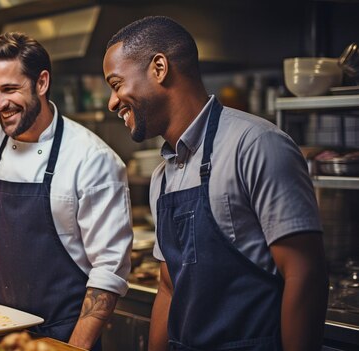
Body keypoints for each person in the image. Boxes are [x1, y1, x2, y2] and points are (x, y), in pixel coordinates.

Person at [102, 16, 328, 351]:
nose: (111, 102)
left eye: (116, 84)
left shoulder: (256, 144)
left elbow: (304, 275)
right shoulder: (163, 175)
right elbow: (168, 287)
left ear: (159, 68)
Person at [0, 32, 133, 350]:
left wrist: (71, 350)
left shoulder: (92, 158)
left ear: (41, 83)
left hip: (64, 335)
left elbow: (108, 271)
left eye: (9, 89)